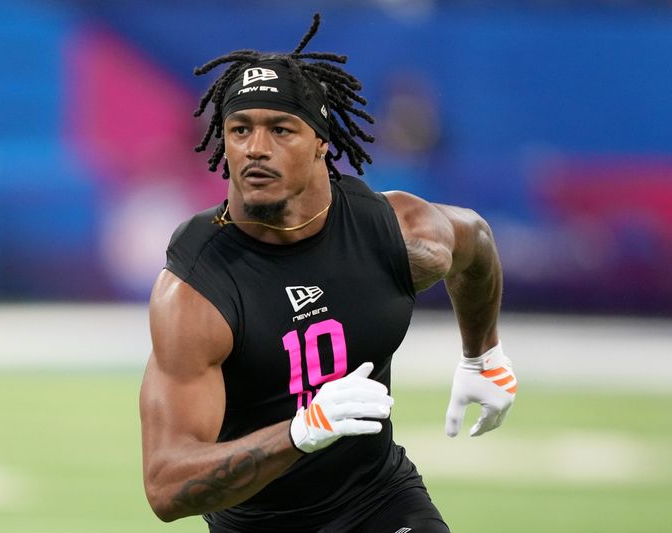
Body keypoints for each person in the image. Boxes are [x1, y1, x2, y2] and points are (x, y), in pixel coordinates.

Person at [139, 13, 517, 532]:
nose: (256, 148)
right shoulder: (197, 286)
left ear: (321, 140)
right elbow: (166, 487)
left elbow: (475, 239)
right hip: (258, 523)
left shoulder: (394, 233)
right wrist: (301, 431)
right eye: (240, 129)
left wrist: (483, 354)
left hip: (379, 499)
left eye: (281, 129)